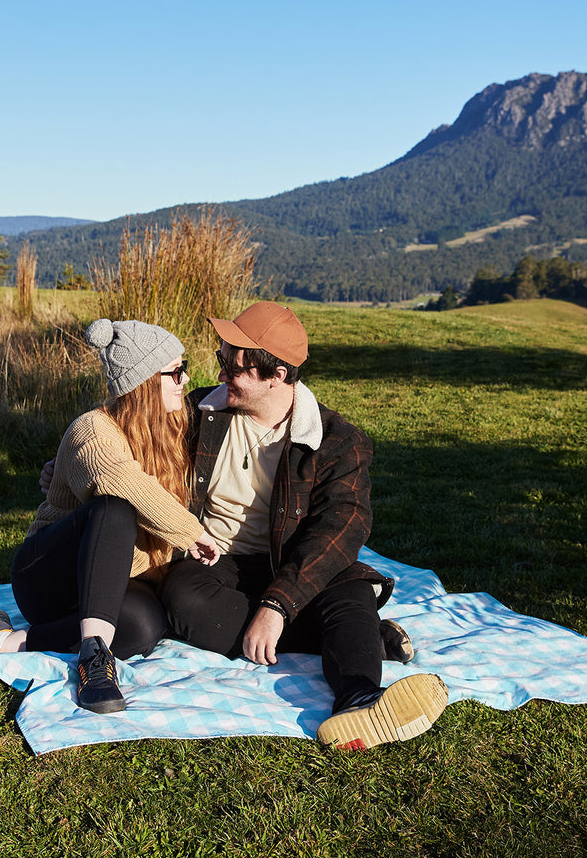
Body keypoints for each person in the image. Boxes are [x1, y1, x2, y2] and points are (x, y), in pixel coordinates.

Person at [159, 301, 448, 750]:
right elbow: (128, 437)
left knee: (348, 591)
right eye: (219, 361)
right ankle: (359, 636)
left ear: (276, 375)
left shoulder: (337, 441)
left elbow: (341, 529)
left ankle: (360, 699)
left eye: (232, 368)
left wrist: (277, 605)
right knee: (181, 600)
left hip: (294, 560)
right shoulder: (200, 413)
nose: (219, 376)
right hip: (217, 556)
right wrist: (70, 462)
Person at [0, 318, 221, 715]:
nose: (185, 380)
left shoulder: (173, 427)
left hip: (111, 582)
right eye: (176, 371)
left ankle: (3, 639)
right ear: (144, 381)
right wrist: (190, 532)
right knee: (115, 507)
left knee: (146, 625)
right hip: (48, 578)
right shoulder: (92, 430)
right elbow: (123, 480)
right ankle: (95, 666)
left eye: (186, 369)